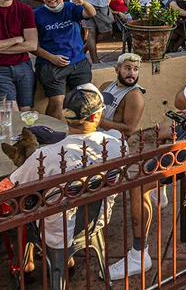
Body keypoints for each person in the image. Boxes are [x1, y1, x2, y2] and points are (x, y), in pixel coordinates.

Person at [10, 84, 121, 271]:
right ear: (96, 116)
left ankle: (26, 264)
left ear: (65, 115)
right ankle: (64, 259)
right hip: (97, 219)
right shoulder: (116, 144)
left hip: (55, 230)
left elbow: (14, 186)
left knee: (19, 201)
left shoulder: (46, 155)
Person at [95, 53, 152, 279]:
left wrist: (97, 121)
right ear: (117, 70)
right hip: (93, 140)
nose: (132, 73)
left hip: (114, 147)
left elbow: (127, 130)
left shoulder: (135, 96)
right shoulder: (104, 86)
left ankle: (97, 220)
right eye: (128, 68)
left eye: (136, 69)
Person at [33, 0, 96, 120]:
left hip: (78, 62)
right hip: (50, 65)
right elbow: (31, 45)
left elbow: (91, 12)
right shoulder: (36, 15)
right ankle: (52, 133)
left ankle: (84, 132)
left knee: (87, 98)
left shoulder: (71, 8)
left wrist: (82, 2)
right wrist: (51, 57)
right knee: (57, 101)